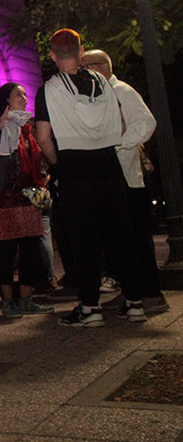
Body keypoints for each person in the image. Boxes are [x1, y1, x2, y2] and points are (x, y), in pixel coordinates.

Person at [35, 29, 140, 327]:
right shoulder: (103, 83)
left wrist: (57, 162)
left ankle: (90, 307)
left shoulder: (49, 89)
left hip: (74, 166)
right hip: (107, 163)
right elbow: (120, 121)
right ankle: (134, 303)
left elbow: (43, 137)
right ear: (81, 52)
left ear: (53, 55)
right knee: (120, 236)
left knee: (84, 241)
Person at [81, 49, 169, 315]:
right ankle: (135, 292)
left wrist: (118, 145)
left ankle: (151, 293)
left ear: (101, 67)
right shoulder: (101, 94)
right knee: (122, 240)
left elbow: (146, 122)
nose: (82, 73)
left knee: (136, 238)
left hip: (128, 178)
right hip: (114, 177)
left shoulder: (122, 91)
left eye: (86, 67)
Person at [0, 83, 54, 318]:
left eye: (25, 94)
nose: (24, 98)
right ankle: (8, 300)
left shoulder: (27, 127)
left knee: (30, 249)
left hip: (28, 197)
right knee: (8, 251)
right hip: (5, 197)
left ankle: (26, 299)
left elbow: (37, 160)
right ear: (6, 100)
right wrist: (0, 125)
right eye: (18, 94)